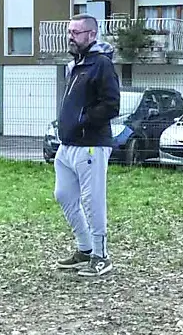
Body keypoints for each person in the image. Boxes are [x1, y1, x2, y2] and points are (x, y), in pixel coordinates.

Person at [54, 14, 120, 277]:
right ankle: (85, 248)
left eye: (76, 32)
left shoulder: (100, 65)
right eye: (69, 31)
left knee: (92, 200)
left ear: (92, 35)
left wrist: (84, 121)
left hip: (91, 144)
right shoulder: (76, 65)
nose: (71, 36)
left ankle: (101, 256)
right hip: (67, 145)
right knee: (63, 195)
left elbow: (111, 104)